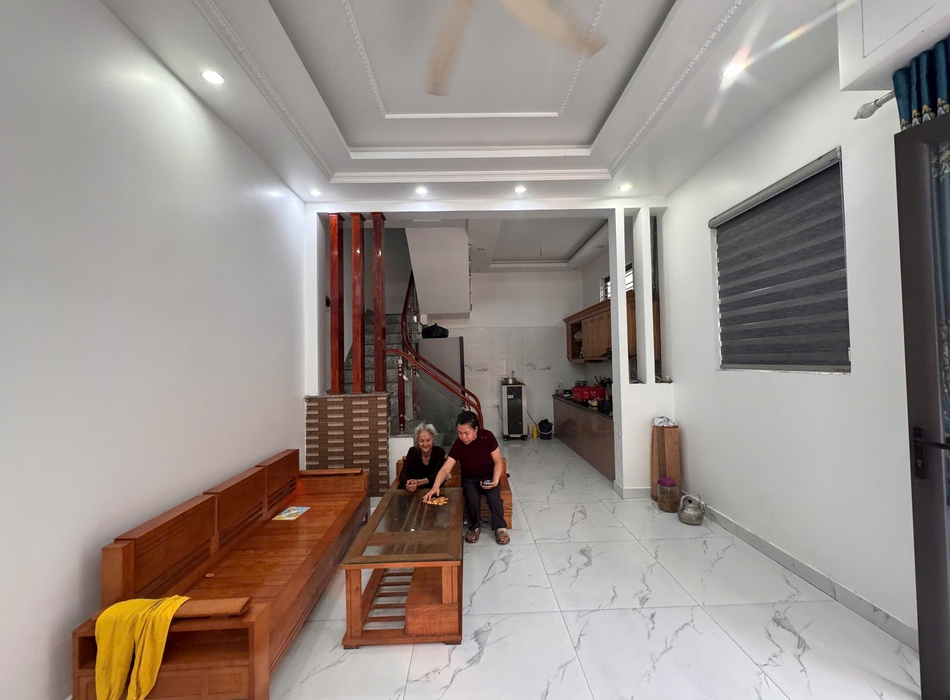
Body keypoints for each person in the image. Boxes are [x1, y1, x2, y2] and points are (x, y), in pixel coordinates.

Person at [423, 411, 509, 545]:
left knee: (494, 498)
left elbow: (498, 461)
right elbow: (446, 468)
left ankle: (500, 528)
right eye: (460, 433)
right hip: (470, 479)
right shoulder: (458, 445)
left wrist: (496, 480)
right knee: (472, 500)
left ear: (475, 429)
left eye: (466, 433)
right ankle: (474, 527)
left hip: (489, 476)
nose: (463, 437)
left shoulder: (487, 437)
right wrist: (435, 486)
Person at [397, 423, 445, 493]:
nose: (425, 444)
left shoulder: (439, 452)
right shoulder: (413, 451)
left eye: (428, 440)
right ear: (417, 441)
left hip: (432, 491)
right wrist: (408, 483)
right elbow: (403, 475)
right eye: (421, 441)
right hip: (412, 492)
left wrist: (419, 482)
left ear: (433, 440)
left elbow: (438, 476)